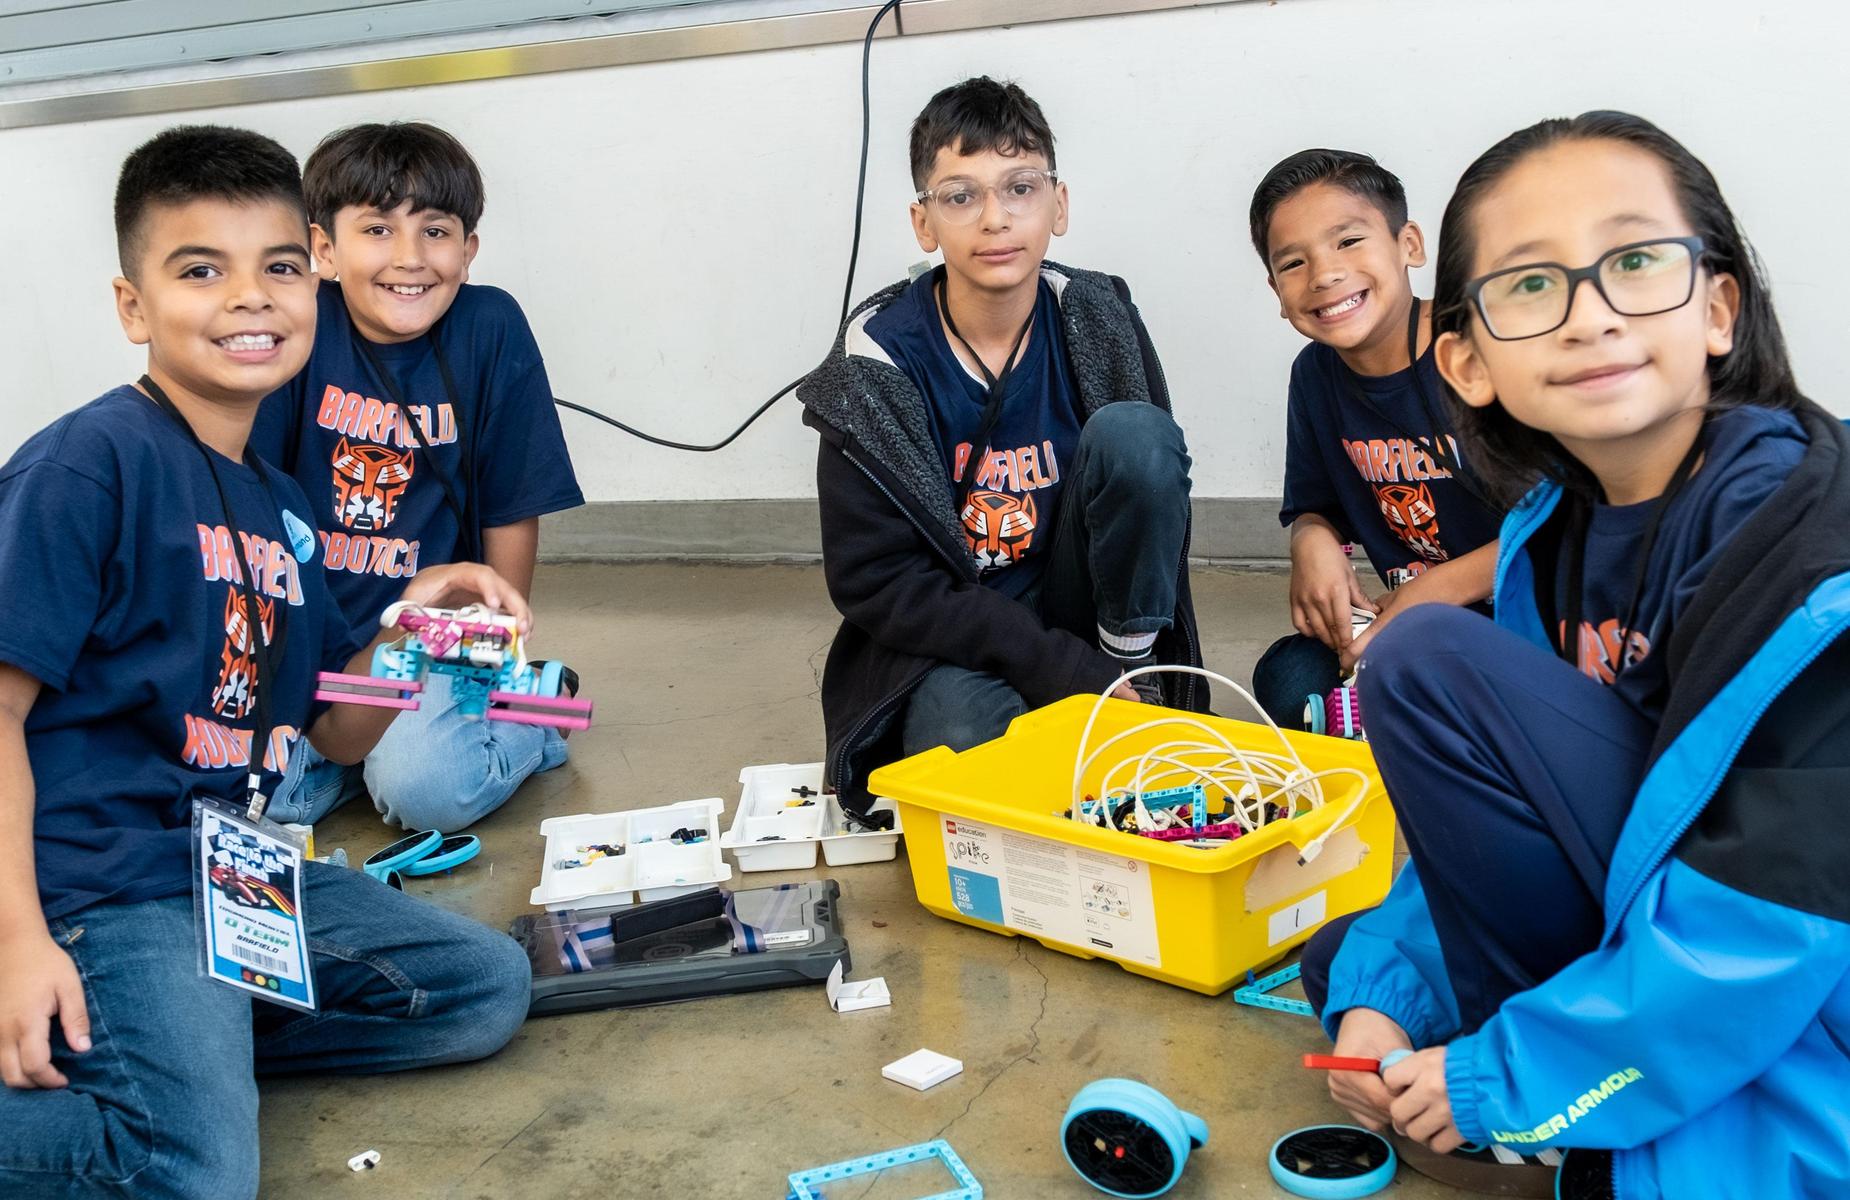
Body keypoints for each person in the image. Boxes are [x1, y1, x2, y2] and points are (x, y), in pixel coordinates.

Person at [1301, 112, 1850, 1199]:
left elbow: (1776, 916)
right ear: (1465, 361)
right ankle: (1560, 1076)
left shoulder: (1806, 553)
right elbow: (1490, 816)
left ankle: (1570, 1101)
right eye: (1529, 284)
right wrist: (1388, 1001)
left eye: (1635, 262)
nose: (1590, 315)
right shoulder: (1548, 535)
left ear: (1717, 309)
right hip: (1663, 914)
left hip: (1804, 969)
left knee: (1423, 658)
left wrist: (1504, 1078)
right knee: (1350, 965)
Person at [0, 126, 534, 1199]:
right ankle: (159, 1071)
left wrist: (407, 627)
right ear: (134, 307)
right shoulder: (88, 465)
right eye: (202, 270)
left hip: (219, 868)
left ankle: (171, 1050)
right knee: (188, 1172)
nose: (251, 297)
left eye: (280, 267)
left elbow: (337, 728)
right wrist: (17, 942)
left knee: (479, 990)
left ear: (313, 285)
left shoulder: (278, 505)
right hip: (97, 884)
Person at [798, 76, 1205, 815]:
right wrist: (1056, 669)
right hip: (962, 634)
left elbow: (1148, 498)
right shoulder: (873, 364)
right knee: (957, 744)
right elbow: (877, 581)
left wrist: (1101, 672)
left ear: (1059, 205)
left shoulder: (1098, 317)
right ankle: (1071, 721)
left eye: (1021, 188)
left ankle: (1131, 679)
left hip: (1090, 614)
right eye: (960, 196)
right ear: (923, 223)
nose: (996, 218)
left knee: (1139, 437)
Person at [254, 121, 583, 833]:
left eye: (435, 231)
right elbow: (249, 503)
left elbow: (511, 504)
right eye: (377, 229)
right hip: (311, 634)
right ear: (322, 249)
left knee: (425, 792)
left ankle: (533, 710)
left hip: (427, 638)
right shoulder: (295, 327)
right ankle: (353, 753)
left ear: (468, 250)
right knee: (257, 798)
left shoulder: (490, 326)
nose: (409, 258)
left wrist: (496, 641)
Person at [1246, 150, 1502, 727]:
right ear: (1276, 290)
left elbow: (1567, 523)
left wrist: (1426, 594)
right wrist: (1311, 542)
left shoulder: (1485, 350)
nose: (1324, 274)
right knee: (1288, 679)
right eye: (1293, 263)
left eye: (1348, 241)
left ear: (1409, 245)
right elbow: (1317, 504)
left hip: (1533, 609)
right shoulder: (1314, 376)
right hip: (1416, 619)